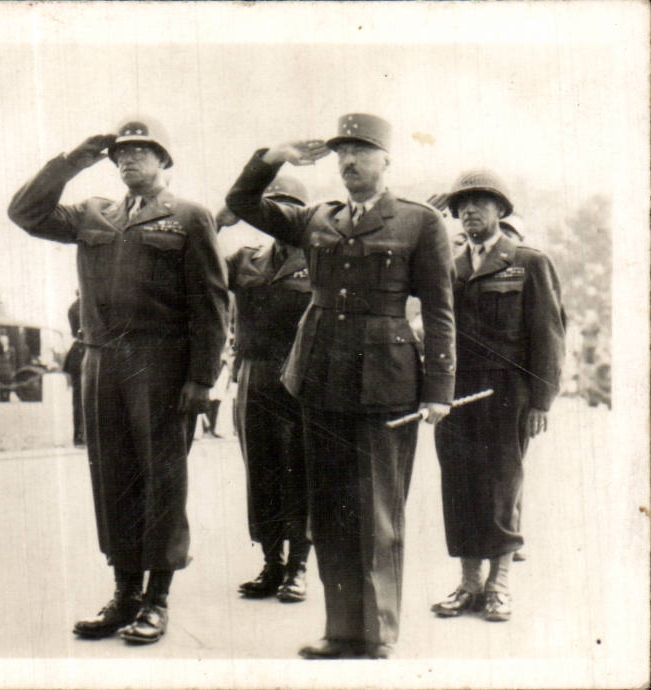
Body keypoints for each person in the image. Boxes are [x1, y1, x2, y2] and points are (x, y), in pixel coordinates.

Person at [226, 113, 456, 659]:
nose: (349, 162)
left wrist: (439, 389)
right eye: (341, 154)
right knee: (329, 508)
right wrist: (273, 155)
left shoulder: (418, 222)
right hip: (320, 376)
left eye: (362, 151)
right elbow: (242, 203)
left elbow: (442, 311)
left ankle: (376, 632)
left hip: (387, 381)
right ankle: (341, 630)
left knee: (376, 511)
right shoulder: (317, 219)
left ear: (386, 160)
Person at [8, 117, 228, 645]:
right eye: (121, 154)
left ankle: (156, 599)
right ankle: (124, 592)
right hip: (101, 362)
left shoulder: (190, 218)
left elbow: (212, 304)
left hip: (161, 363)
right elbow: (24, 212)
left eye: (142, 152)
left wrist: (201, 377)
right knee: (113, 479)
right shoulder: (93, 213)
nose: (129, 160)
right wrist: (74, 160)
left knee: (162, 479)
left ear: (164, 161)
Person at [430, 170, 565, 623]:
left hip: (508, 392)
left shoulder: (527, 261)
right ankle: (469, 583)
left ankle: (499, 584)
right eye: (461, 205)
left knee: (502, 486)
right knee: (459, 485)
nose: (469, 211)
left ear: (500, 211)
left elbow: (548, 335)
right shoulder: (448, 264)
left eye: (480, 203)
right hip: (454, 391)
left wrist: (541, 401)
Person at [218, 173, 316, 604]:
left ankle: (298, 567)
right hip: (254, 375)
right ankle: (271, 562)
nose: (276, 217)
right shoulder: (245, 258)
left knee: (301, 471)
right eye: (269, 207)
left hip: (303, 378)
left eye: (288, 209)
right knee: (260, 471)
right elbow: (196, 269)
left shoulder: (321, 260)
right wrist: (218, 221)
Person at [62, 293, 85, 446]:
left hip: (76, 352)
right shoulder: (90, 305)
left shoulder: (73, 307)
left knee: (77, 399)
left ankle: (79, 435)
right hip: (89, 350)